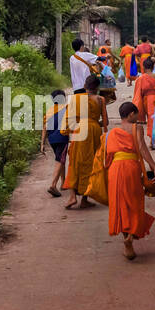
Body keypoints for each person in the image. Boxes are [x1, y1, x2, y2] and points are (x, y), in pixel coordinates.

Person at [105, 101, 155, 260]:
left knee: (121, 203)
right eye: (137, 114)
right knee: (134, 202)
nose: (138, 117)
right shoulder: (137, 128)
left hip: (115, 169)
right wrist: (154, 167)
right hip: (131, 167)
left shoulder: (112, 132)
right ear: (131, 115)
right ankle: (131, 235)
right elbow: (142, 148)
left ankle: (126, 239)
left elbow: (107, 157)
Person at [62, 75, 109, 211]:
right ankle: (84, 199)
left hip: (79, 130)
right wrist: (95, 122)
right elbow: (105, 122)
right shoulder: (101, 99)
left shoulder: (76, 98)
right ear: (97, 88)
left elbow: (69, 119)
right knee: (92, 163)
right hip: (94, 131)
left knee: (75, 162)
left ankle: (72, 196)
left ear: (84, 86)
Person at [39, 88, 69, 198]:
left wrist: (42, 143)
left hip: (52, 140)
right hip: (62, 138)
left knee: (60, 159)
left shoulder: (49, 111)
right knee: (60, 160)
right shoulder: (66, 109)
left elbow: (44, 128)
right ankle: (53, 185)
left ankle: (63, 182)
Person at [132, 57, 155, 146]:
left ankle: (153, 140)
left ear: (143, 67)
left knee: (150, 119)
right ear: (153, 67)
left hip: (146, 100)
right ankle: (154, 139)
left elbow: (137, 94)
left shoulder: (141, 78)